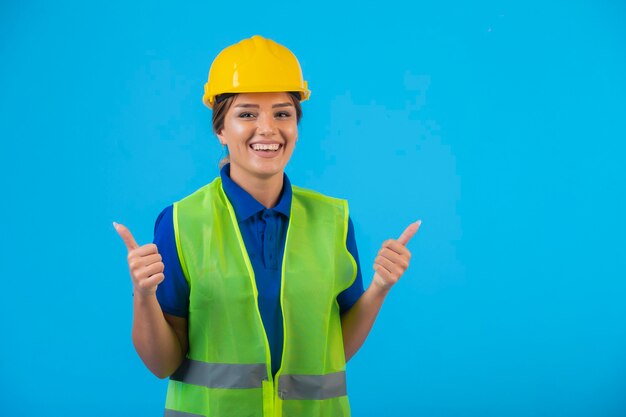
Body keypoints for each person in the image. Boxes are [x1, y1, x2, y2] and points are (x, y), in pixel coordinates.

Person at [114, 35, 420, 417]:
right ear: (220, 130)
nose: (268, 129)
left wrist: (379, 288)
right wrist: (142, 297)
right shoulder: (181, 222)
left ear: (296, 123)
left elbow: (336, 348)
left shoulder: (333, 221)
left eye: (282, 113)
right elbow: (162, 364)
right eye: (246, 114)